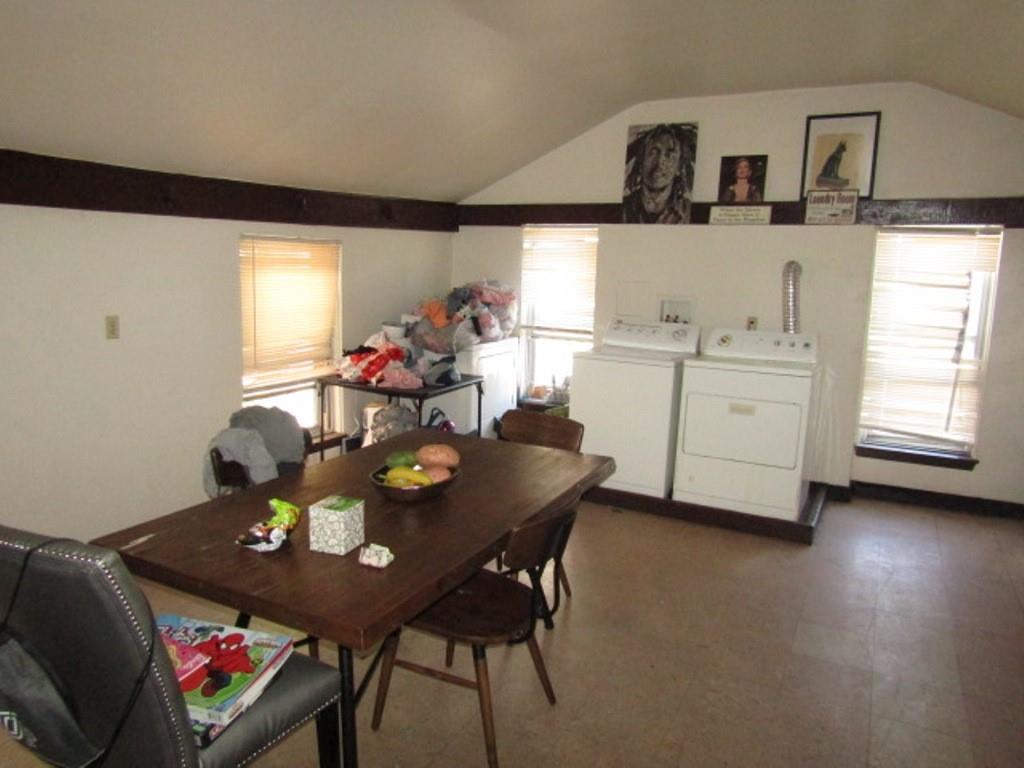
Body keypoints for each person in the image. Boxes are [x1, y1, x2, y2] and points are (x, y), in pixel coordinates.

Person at [622, 124, 694, 224]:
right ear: (641, 161)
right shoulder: (623, 209)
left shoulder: (689, 212)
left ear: (679, 167)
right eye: (653, 153)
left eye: (669, 155)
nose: (660, 162)